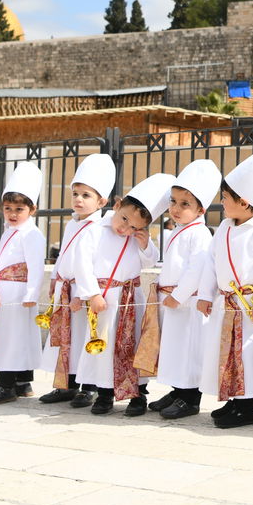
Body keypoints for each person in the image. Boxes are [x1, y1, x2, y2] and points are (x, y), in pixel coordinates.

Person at [197, 150, 253, 429]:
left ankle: (248, 407)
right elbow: (211, 262)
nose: (221, 202)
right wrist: (204, 294)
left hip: (250, 306)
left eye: (225, 198)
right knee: (226, 353)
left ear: (244, 202)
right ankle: (233, 400)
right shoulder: (224, 227)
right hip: (226, 304)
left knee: (248, 354)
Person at [78, 173, 172, 415]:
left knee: (133, 345)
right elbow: (82, 264)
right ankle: (104, 393)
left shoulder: (134, 236)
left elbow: (149, 261)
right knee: (106, 346)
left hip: (131, 297)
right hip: (105, 299)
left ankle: (138, 394)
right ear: (117, 205)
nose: (125, 228)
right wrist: (92, 295)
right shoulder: (93, 230)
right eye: (124, 219)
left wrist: (144, 243)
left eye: (134, 227)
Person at [38, 153, 114, 408]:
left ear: (101, 201)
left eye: (86, 195)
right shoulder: (72, 224)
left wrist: (84, 295)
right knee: (65, 339)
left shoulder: (99, 228)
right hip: (64, 289)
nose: (79, 200)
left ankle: (87, 386)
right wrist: (54, 278)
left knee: (84, 337)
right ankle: (66, 384)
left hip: (82, 293)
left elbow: (92, 264)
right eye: (76, 194)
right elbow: (64, 255)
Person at [147, 159, 220, 420]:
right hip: (172, 300)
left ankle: (189, 398)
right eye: (173, 201)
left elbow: (196, 269)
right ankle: (177, 390)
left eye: (185, 204)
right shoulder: (179, 230)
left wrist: (177, 296)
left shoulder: (199, 235)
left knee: (188, 349)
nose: (176, 209)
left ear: (201, 209)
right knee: (174, 349)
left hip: (186, 303)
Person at [0, 161, 47, 404]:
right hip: (6, 290)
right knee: (12, 336)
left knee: (10, 338)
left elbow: (36, 267)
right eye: (8, 208)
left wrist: (31, 294)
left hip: (19, 293)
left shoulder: (32, 234)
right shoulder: (10, 230)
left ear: (32, 209)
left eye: (19, 209)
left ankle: (6, 384)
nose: (13, 213)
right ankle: (21, 380)